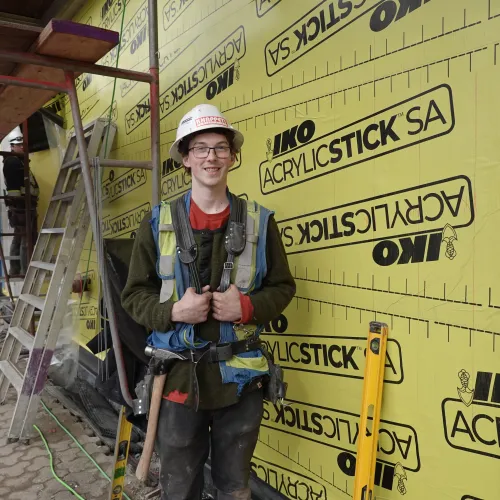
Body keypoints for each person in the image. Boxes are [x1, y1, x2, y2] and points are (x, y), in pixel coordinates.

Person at [121, 104, 296, 500]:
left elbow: (282, 287)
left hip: (241, 382)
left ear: (232, 156)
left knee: (235, 487)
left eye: (220, 147)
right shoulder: (156, 222)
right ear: (185, 158)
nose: (211, 157)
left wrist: (247, 308)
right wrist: (172, 312)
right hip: (179, 383)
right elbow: (133, 294)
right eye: (200, 148)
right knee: (180, 488)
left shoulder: (260, 221)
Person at [3, 135, 39, 276]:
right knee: (25, 238)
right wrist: (20, 205)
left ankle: (15, 269)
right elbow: (14, 188)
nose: (22, 147)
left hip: (20, 206)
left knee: (18, 237)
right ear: (12, 146)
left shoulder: (16, 161)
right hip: (22, 207)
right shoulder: (13, 162)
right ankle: (25, 271)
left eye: (22, 145)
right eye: (18, 145)